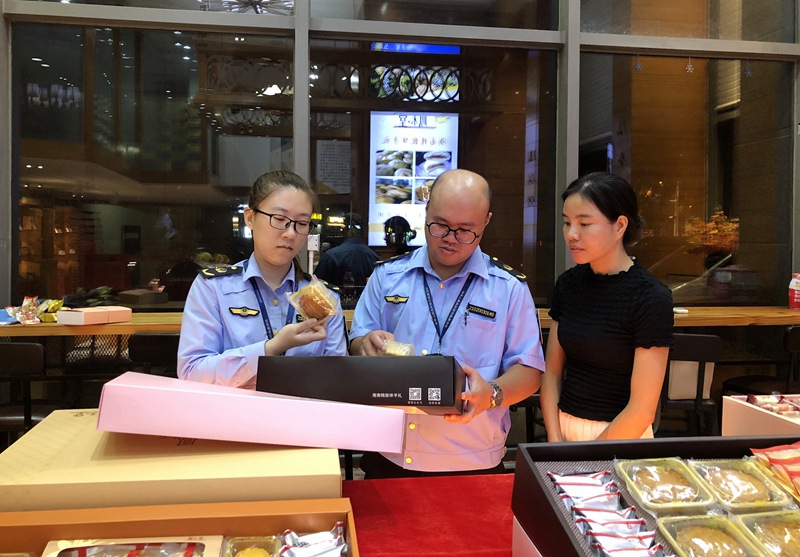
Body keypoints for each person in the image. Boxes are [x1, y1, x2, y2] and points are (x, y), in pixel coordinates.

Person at [349, 169, 545, 477]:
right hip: (391, 452)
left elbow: (530, 371)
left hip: (473, 457)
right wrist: (365, 345)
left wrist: (492, 394)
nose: (450, 239)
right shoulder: (388, 276)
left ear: (486, 222)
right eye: (440, 225)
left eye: (465, 230)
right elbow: (358, 340)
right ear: (426, 211)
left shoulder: (508, 288)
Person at [178, 170, 348, 388]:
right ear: (250, 218)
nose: (290, 233)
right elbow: (191, 372)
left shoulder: (325, 298)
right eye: (279, 219)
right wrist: (270, 348)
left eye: (302, 223)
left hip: (302, 408)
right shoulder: (213, 288)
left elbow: (337, 380)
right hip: (233, 409)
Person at [540, 171, 673, 442]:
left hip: (622, 438)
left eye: (584, 224)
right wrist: (554, 440)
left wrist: (589, 458)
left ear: (620, 226)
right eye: (567, 223)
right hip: (564, 430)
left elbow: (642, 410)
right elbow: (552, 373)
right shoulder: (568, 284)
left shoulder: (650, 297)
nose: (571, 234)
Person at [314, 213, 380, 287]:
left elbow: (316, 286)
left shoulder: (331, 256)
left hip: (334, 294)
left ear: (344, 231)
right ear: (364, 232)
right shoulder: (374, 257)